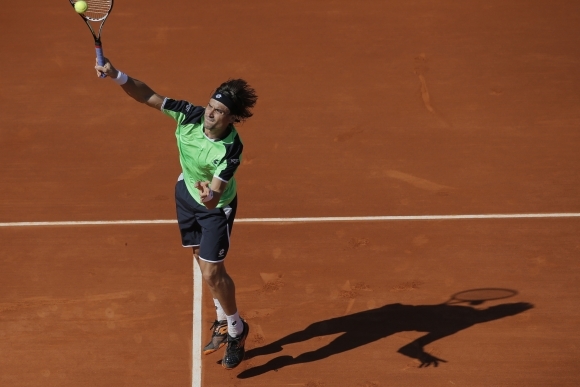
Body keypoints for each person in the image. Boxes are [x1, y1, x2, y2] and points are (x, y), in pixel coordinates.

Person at [95, 59, 257, 370]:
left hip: (215, 208)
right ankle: (222, 319)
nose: (210, 112)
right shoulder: (190, 115)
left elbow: (215, 197)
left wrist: (210, 196)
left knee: (212, 271)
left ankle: (237, 329)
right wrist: (116, 75)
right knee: (197, 255)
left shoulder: (230, 149)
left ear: (231, 118)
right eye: (210, 105)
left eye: (218, 111)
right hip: (185, 194)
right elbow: (147, 96)